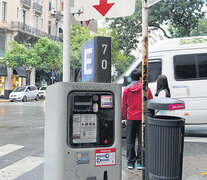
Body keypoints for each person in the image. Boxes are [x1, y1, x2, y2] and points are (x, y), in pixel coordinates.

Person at [122, 70, 153, 170]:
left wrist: (125, 118)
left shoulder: (126, 89)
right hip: (142, 118)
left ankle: (130, 163)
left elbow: (124, 105)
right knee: (141, 140)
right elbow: (151, 100)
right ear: (140, 77)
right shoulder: (145, 88)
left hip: (131, 118)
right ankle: (140, 162)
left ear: (131, 78)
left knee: (130, 140)